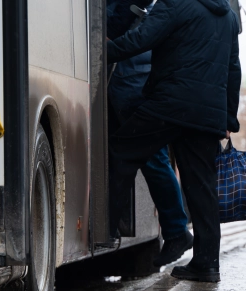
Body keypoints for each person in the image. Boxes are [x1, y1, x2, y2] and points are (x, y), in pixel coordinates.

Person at [107, 0, 241, 283]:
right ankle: (207, 264)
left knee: (122, 151)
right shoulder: (227, 14)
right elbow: (233, 67)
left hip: (169, 104)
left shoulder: (176, 3)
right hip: (208, 113)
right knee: (202, 187)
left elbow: (142, 38)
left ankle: (107, 232)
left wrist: (98, 51)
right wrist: (229, 119)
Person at [107, 0, 192, 267]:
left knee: (149, 160)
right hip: (131, 79)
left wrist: (101, 43)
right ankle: (112, 226)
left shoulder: (141, 8)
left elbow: (120, 22)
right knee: (136, 159)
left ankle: (177, 230)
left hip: (130, 82)